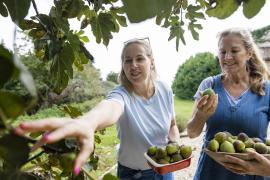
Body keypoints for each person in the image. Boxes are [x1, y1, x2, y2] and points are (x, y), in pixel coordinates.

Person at [15, 38, 180, 179]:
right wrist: (88, 123)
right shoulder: (121, 94)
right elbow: (109, 108)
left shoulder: (165, 89)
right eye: (127, 60)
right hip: (134, 174)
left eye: (140, 58)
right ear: (123, 65)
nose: (133, 65)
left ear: (151, 61)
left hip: (165, 169)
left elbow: (172, 125)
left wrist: (175, 148)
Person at [187, 27, 270, 180]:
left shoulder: (267, 90)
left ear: (249, 53)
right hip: (211, 174)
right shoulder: (209, 85)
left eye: (234, 51)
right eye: (223, 52)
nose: (227, 57)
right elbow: (192, 133)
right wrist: (201, 115)